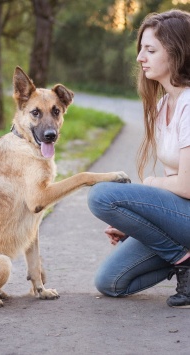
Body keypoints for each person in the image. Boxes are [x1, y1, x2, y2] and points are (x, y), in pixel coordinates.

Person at [87, 9, 190, 308]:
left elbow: (185, 186)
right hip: (181, 218)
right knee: (111, 282)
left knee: (101, 196)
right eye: (141, 49)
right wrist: (138, 222)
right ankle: (181, 256)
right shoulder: (163, 106)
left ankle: (182, 259)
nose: (139, 58)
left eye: (150, 50)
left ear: (176, 53)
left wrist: (150, 183)